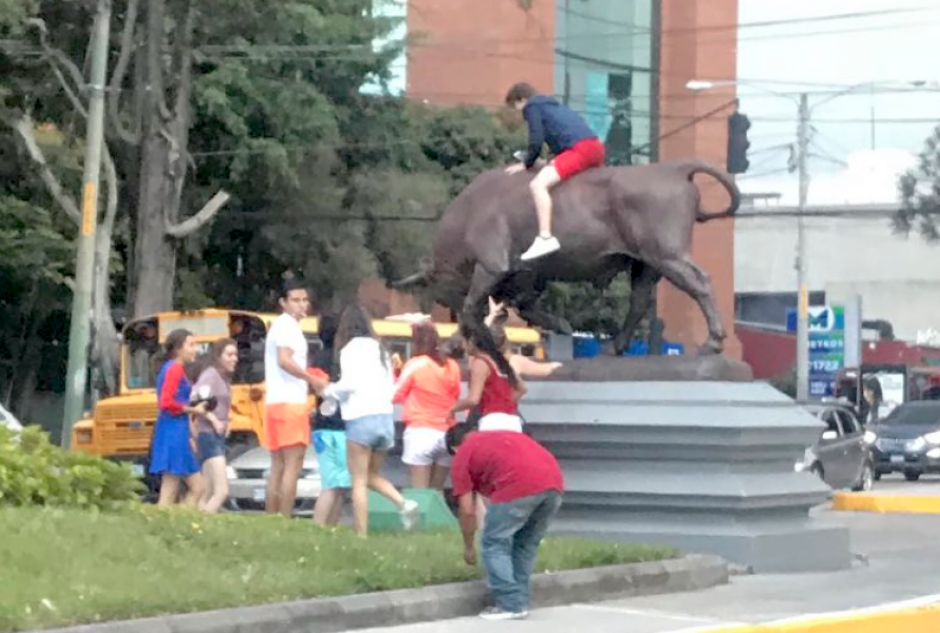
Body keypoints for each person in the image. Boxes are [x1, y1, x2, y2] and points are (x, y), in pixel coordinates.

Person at [308, 304, 419, 536]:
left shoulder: (349, 349)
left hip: (360, 418)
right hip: (384, 419)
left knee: (358, 481)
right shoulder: (382, 349)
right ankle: (403, 503)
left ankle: (362, 535)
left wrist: (328, 390)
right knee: (370, 476)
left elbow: (349, 385)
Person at [446, 423, 564, 621]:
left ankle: (509, 604)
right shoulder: (501, 437)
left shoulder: (462, 454)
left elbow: (467, 511)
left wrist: (468, 547)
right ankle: (519, 602)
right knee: (524, 545)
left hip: (517, 486)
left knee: (494, 543)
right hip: (554, 485)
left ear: (454, 448)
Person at [504, 81, 605, 261]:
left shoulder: (532, 106)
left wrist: (526, 163)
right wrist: (544, 163)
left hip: (580, 149)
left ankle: (545, 237)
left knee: (538, 185)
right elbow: (562, 141)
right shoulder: (553, 105)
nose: (520, 114)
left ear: (521, 99)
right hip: (595, 147)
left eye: (516, 108)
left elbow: (535, 141)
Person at [264, 277, 318, 517]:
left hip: (274, 402)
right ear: (283, 303)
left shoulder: (279, 325)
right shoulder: (287, 326)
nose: (302, 305)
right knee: (292, 466)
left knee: (277, 466)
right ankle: (284, 517)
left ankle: (272, 517)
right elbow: (285, 360)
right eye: (295, 300)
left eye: (305, 300)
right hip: (291, 403)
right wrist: (311, 379)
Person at [394, 320, 462, 490]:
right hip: (447, 433)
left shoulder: (416, 363)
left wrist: (396, 374)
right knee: (436, 493)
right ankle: (436, 517)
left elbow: (394, 395)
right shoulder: (452, 365)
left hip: (420, 432)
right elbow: (456, 395)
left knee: (420, 492)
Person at [149, 329, 206, 508]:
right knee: (183, 485)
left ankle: (172, 520)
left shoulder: (172, 368)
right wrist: (193, 409)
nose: (195, 349)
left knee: (186, 486)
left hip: (175, 429)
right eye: (191, 345)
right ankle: (175, 521)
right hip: (173, 430)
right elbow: (166, 402)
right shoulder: (174, 369)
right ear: (178, 349)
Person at [309, 314, 350, 527]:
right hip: (341, 427)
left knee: (331, 481)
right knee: (337, 485)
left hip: (321, 428)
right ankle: (323, 525)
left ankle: (326, 527)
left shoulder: (316, 358)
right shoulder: (343, 359)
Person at [451, 322, 527, 433]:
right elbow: (522, 388)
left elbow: (473, 399)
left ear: (471, 341)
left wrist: (451, 409)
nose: (462, 346)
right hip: (513, 421)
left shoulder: (481, 362)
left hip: (492, 421)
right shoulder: (501, 361)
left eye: (463, 341)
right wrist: (504, 402)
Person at [192, 338, 238, 514]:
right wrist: (215, 420)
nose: (234, 359)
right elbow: (196, 399)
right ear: (218, 356)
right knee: (222, 491)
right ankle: (202, 524)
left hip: (215, 435)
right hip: (209, 435)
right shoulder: (210, 375)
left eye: (235, 355)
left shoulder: (222, 377)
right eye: (229, 354)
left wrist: (227, 420)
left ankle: (198, 523)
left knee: (207, 491)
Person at [486, 298, 563, 379]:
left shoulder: (481, 363)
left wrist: (492, 315)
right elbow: (543, 370)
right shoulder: (514, 361)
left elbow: (481, 335)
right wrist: (555, 365)